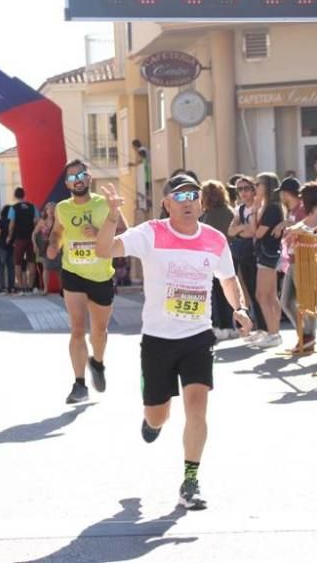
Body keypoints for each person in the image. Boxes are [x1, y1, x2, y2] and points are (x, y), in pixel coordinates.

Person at [95, 173, 253, 511]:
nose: (187, 201)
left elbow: (228, 278)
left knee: (197, 408)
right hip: (157, 339)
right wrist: (111, 216)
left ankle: (190, 481)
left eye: (192, 195)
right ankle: (151, 416)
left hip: (197, 337)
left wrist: (237, 309)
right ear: (166, 203)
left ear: (200, 203)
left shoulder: (213, 239)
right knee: (158, 416)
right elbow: (105, 250)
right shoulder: (151, 233)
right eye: (178, 196)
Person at [48, 160, 117, 404]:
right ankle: (79, 385)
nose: (76, 180)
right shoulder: (63, 208)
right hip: (73, 273)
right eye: (71, 177)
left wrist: (99, 235)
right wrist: (53, 245)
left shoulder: (103, 204)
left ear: (89, 178)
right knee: (77, 329)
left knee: (99, 331)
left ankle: (97, 363)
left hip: (100, 276)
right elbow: (58, 231)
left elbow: (122, 235)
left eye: (80, 175)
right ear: (66, 184)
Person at [280, 182, 317, 353]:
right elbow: (302, 225)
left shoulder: (315, 209)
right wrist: (291, 229)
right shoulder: (306, 211)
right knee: (285, 301)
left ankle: (308, 337)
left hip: (305, 259)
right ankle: (305, 335)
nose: (300, 199)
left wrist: (296, 230)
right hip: (293, 259)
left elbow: (310, 228)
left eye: (303, 196)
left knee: (306, 302)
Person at [227, 175, 265, 340]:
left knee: (261, 292)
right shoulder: (240, 209)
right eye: (239, 189)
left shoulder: (259, 207)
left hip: (257, 253)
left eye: (246, 188)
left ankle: (265, 328)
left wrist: (241, 230)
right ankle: (258, 327)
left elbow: (253, 231)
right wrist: (243, 228)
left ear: (253, 189)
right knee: (250, 290)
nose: (243, 192)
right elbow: (231, 231)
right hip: (243, 253)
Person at [249, 173, 285, 349]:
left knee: (262, 295)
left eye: (258, 184)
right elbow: (253, 230)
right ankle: (274, 332)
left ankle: (273, 333)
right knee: (270, 295)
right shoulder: (266, 206)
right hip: (266, 254)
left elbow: (257, 233)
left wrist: (256, 212)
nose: (256, 187)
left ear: (267, 186)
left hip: (268, 254)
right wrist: (255, 210)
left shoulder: (272, 208)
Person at [200, 179, 237, 341]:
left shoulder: (209, 215)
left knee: (216, 293)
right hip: (229, 255)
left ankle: (220, 326)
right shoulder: (229, 211)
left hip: (212, 258)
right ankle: (230, 326)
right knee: (228, 293)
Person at [8, 187, 39, 295]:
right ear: (24, 195)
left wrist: (9, 236)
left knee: (18, 263)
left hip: (19, 238)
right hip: (31, 238)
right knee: (31, 262)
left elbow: (11, 225)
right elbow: (36, 222)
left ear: (15, 196)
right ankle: (30, 286)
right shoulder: (32, 207)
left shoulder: (14, 208)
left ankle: (21, 287)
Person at [34, 202, 61, 296]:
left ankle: (62, 288)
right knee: (46, 268)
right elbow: (34, 233)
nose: (51, 210)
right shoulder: (42, 221)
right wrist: (35, 245)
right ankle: (46, 289)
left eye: (53, 208)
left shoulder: (59, 220)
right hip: (45, 247)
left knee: (60, 268)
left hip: (57, 246)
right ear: (46, 210)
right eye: (49, 208)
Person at [129, 139, 152, 212]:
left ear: (135, 146)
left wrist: (133, 164)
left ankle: (147, 204)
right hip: (147, 174)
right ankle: (147, 203)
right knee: (147, 190)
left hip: (146, 175)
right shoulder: (145, 150)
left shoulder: (141, 150)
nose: (133, 149)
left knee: (146, 190)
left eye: (133, 147)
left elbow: (142, 160)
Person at [0, 204, 16, 294]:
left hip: (2, 246)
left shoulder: (1, 221)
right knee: (11, 267)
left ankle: (2, 287)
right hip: (11, 246)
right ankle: (11, 287)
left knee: (1, 267)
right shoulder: (13, 221)